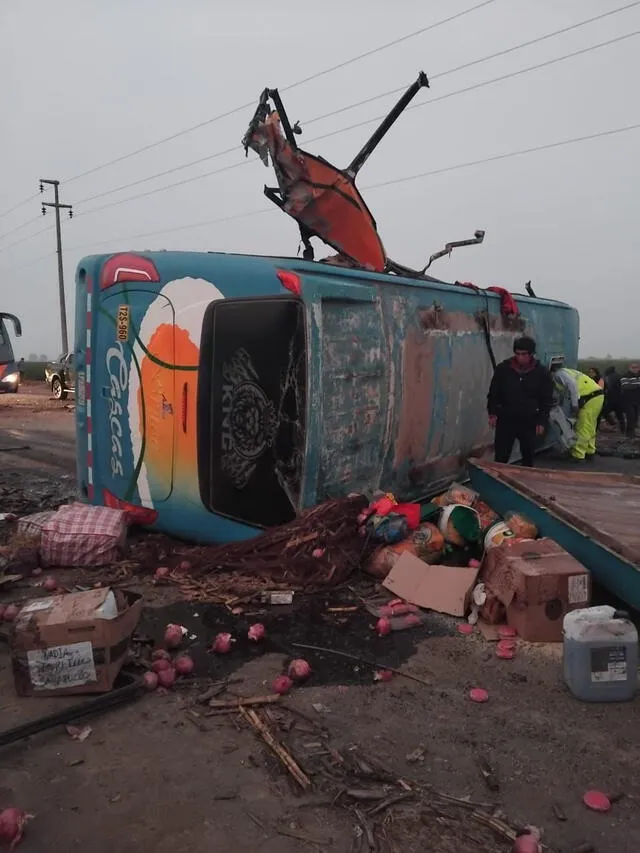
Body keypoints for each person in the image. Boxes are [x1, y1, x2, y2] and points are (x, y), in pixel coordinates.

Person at [487, 336, 554, 467]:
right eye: (517, 354)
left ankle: (526, 481)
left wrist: (542, 421)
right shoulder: (503, 369)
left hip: (529, 420)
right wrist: (492, 412)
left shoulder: (542, 373)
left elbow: (546, 400)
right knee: (501, 456)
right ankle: (498, 481)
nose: (520, 357)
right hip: (506, 419)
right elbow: (493, 393)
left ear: (531, 354)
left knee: (528, 456)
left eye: (524, 354)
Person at [551, 365, 604, 461]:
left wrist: (575, 406)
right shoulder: (569, 371)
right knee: (590, 426)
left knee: (582, 427)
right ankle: (589, 451)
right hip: (597, 396)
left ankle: (578, 455)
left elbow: (572, 385)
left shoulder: (559, 374)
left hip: (589, 397)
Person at [602, 365, 625, 433]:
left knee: (604, 411)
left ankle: (613, 423)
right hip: (619, 399)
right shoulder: (619, 375)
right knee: (620, 415)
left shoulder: (610, 377)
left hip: (611, 399)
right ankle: (622, 430)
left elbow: (609, 387)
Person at [621, 363, 640, 438]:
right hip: (628, 400)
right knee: (630, 416)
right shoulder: (625, 376)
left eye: (636, 367)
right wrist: (638, 384)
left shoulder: (638, 376)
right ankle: (629, 433)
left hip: (637, 400)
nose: (635, 369)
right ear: (629, 368)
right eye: (633, 367)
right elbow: (625, 386)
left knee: (635, 417)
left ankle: (633, 432)